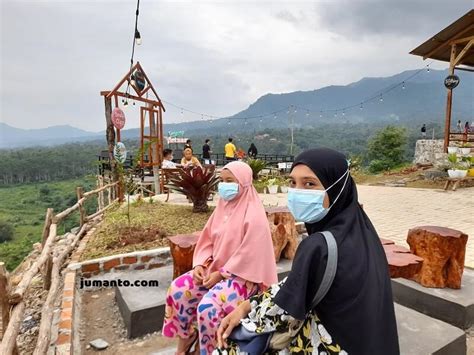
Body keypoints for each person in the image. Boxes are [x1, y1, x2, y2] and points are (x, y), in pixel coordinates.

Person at [216, 148, 400, 355]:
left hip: (334, 344)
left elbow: (283, 310)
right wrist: (249, 304)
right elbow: (302, 281)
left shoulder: (318, 246)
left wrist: (243, 313)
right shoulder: (361, 229)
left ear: (337, 189)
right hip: (372, 341)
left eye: (310, 184)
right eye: (293, 182)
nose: (297, 191)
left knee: (229, 348)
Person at [162, 161, 278, 354]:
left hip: (244, 278)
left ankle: (211, 350)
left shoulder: (254, 215)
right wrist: (200, 263)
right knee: (178, 290)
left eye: (230, 181)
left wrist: (221, 274)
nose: (224, 185)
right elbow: (208, 240)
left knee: (208, 308)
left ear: (244, 183)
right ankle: (185, 340)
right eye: (222, 181)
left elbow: (249, 255)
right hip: (214, 269)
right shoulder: (222, 207)